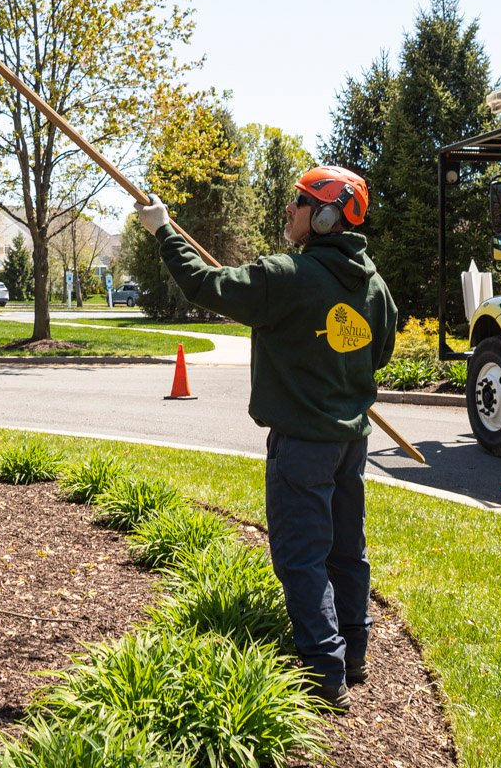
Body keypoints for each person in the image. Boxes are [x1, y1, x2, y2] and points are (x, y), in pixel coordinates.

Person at [135, 165, 396, 711]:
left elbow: (205, 285)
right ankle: (354, 653)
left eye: (298, 204)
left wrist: (164, 231)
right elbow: (379, 353)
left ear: (325, 217)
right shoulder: (373, 283)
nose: (288, 212)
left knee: (301, 556)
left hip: (302, 445)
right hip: (350, 442)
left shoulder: (287, 277)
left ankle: (323, 673)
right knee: (347, 551)